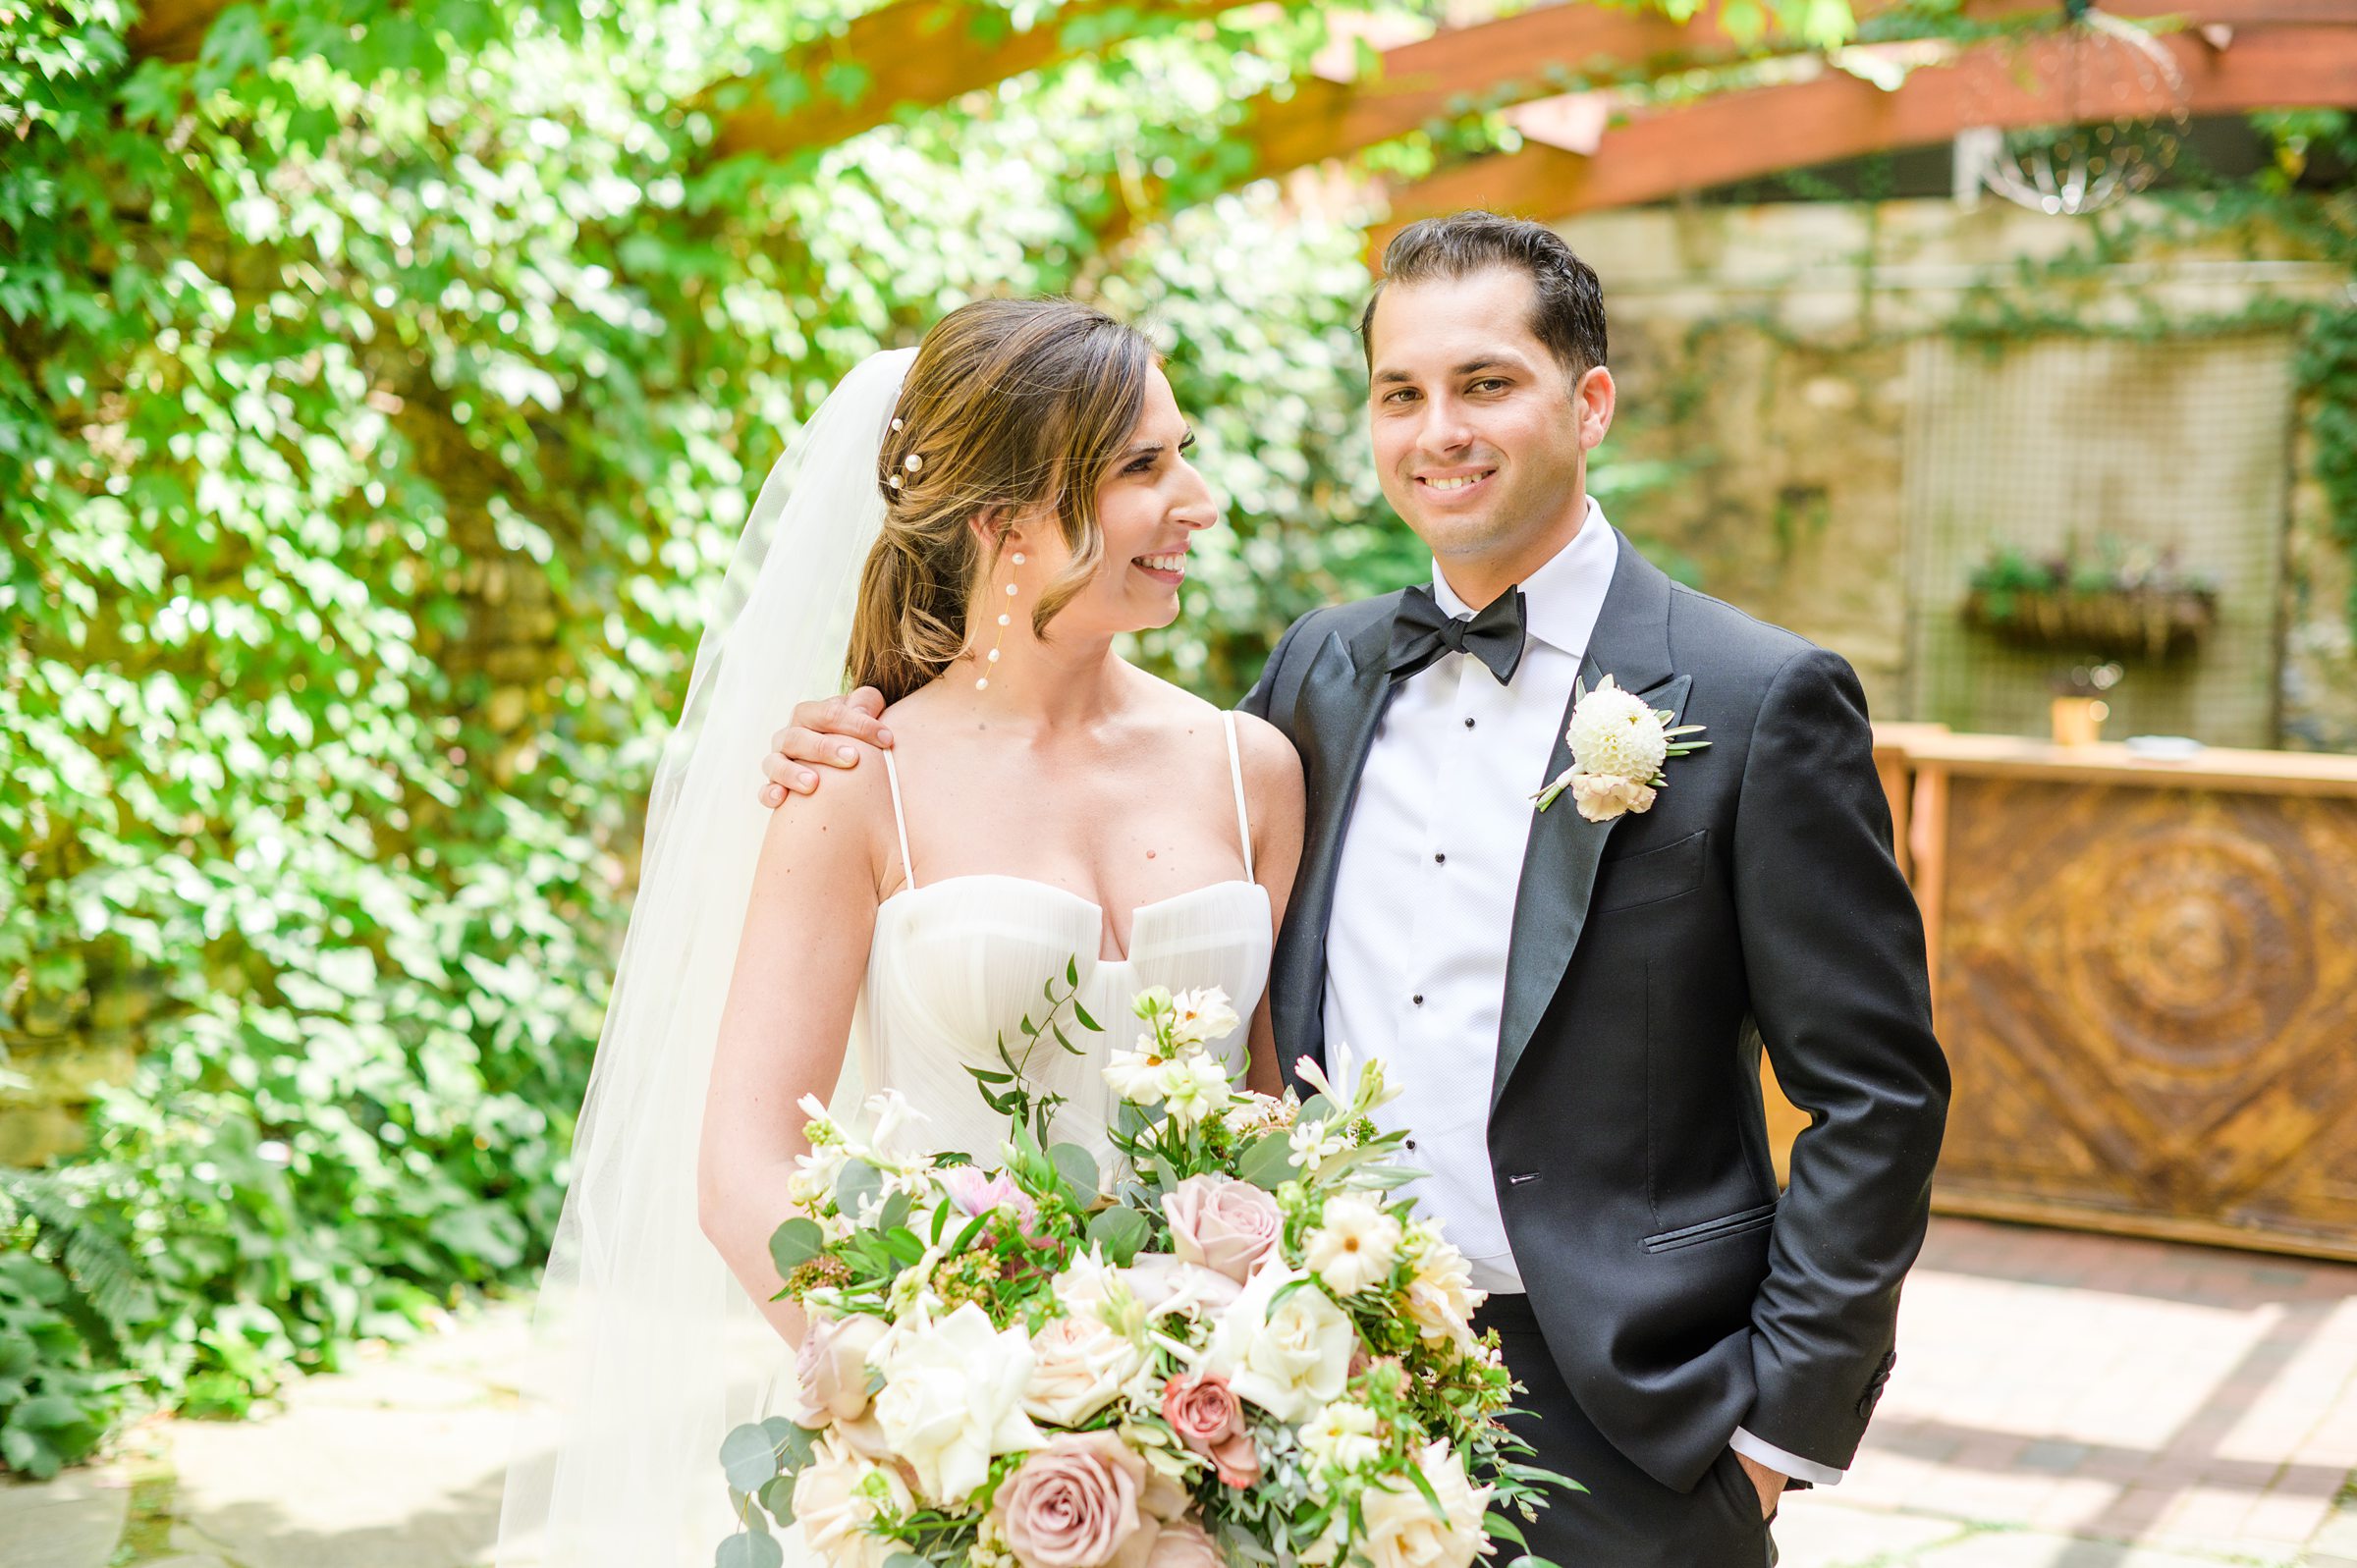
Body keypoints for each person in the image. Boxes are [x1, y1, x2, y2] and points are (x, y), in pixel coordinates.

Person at [760, 212, 1950, 1567]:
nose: (1438, 428)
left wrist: (1769, 1442)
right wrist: (846, 732)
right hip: (1300, 1393)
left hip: (1641, 1423)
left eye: (1486, 383)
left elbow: (1878, 1089)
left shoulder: (1756, 700)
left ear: (1591, 401)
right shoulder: (1315, 682)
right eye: (1402, 393)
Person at [496, 298, 1303, 1567]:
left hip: (1229, 1458)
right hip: (955, 1476)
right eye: (1146, 466)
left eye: (1180, 452)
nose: (1197, 499)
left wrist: (1290, 1373)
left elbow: (1265, 1127)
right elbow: (743, 1167)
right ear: (1005, 523)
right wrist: (929, 1413)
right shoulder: (857, 780)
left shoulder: (1252, 771)